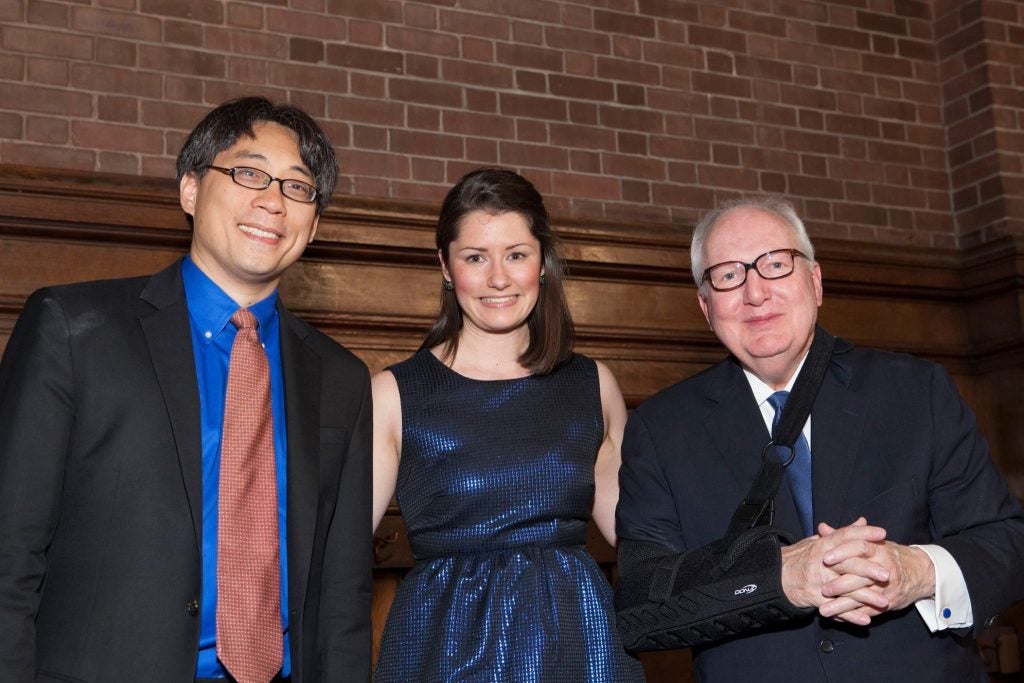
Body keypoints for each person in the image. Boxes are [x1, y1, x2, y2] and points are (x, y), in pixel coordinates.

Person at [0, 97, 373, 682]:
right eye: (248, 173)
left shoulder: (341, 379)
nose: (272, 201)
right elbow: (9, 551)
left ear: (314, 223)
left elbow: (343, 596)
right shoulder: (74, 330)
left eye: (298, 189)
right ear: (191, 190)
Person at [615, 195, 1024, 682]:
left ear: (815, 281)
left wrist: (916, 571)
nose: (756, 292)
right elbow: (639, 604)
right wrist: (778, 578)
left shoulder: (916, 391)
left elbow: (1005, 543)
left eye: (775, 264)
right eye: (728, 275)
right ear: (706, 307)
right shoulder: (661, 427)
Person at [371, 168, 644, 681]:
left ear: (542, 263)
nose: (499, 277)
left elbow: (640, 536)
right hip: (441, 645)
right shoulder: (393, 394)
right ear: (447, 268)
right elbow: (335, 556)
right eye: (476, 257)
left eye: (516, 255)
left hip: (580, 643)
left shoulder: (593, 384)